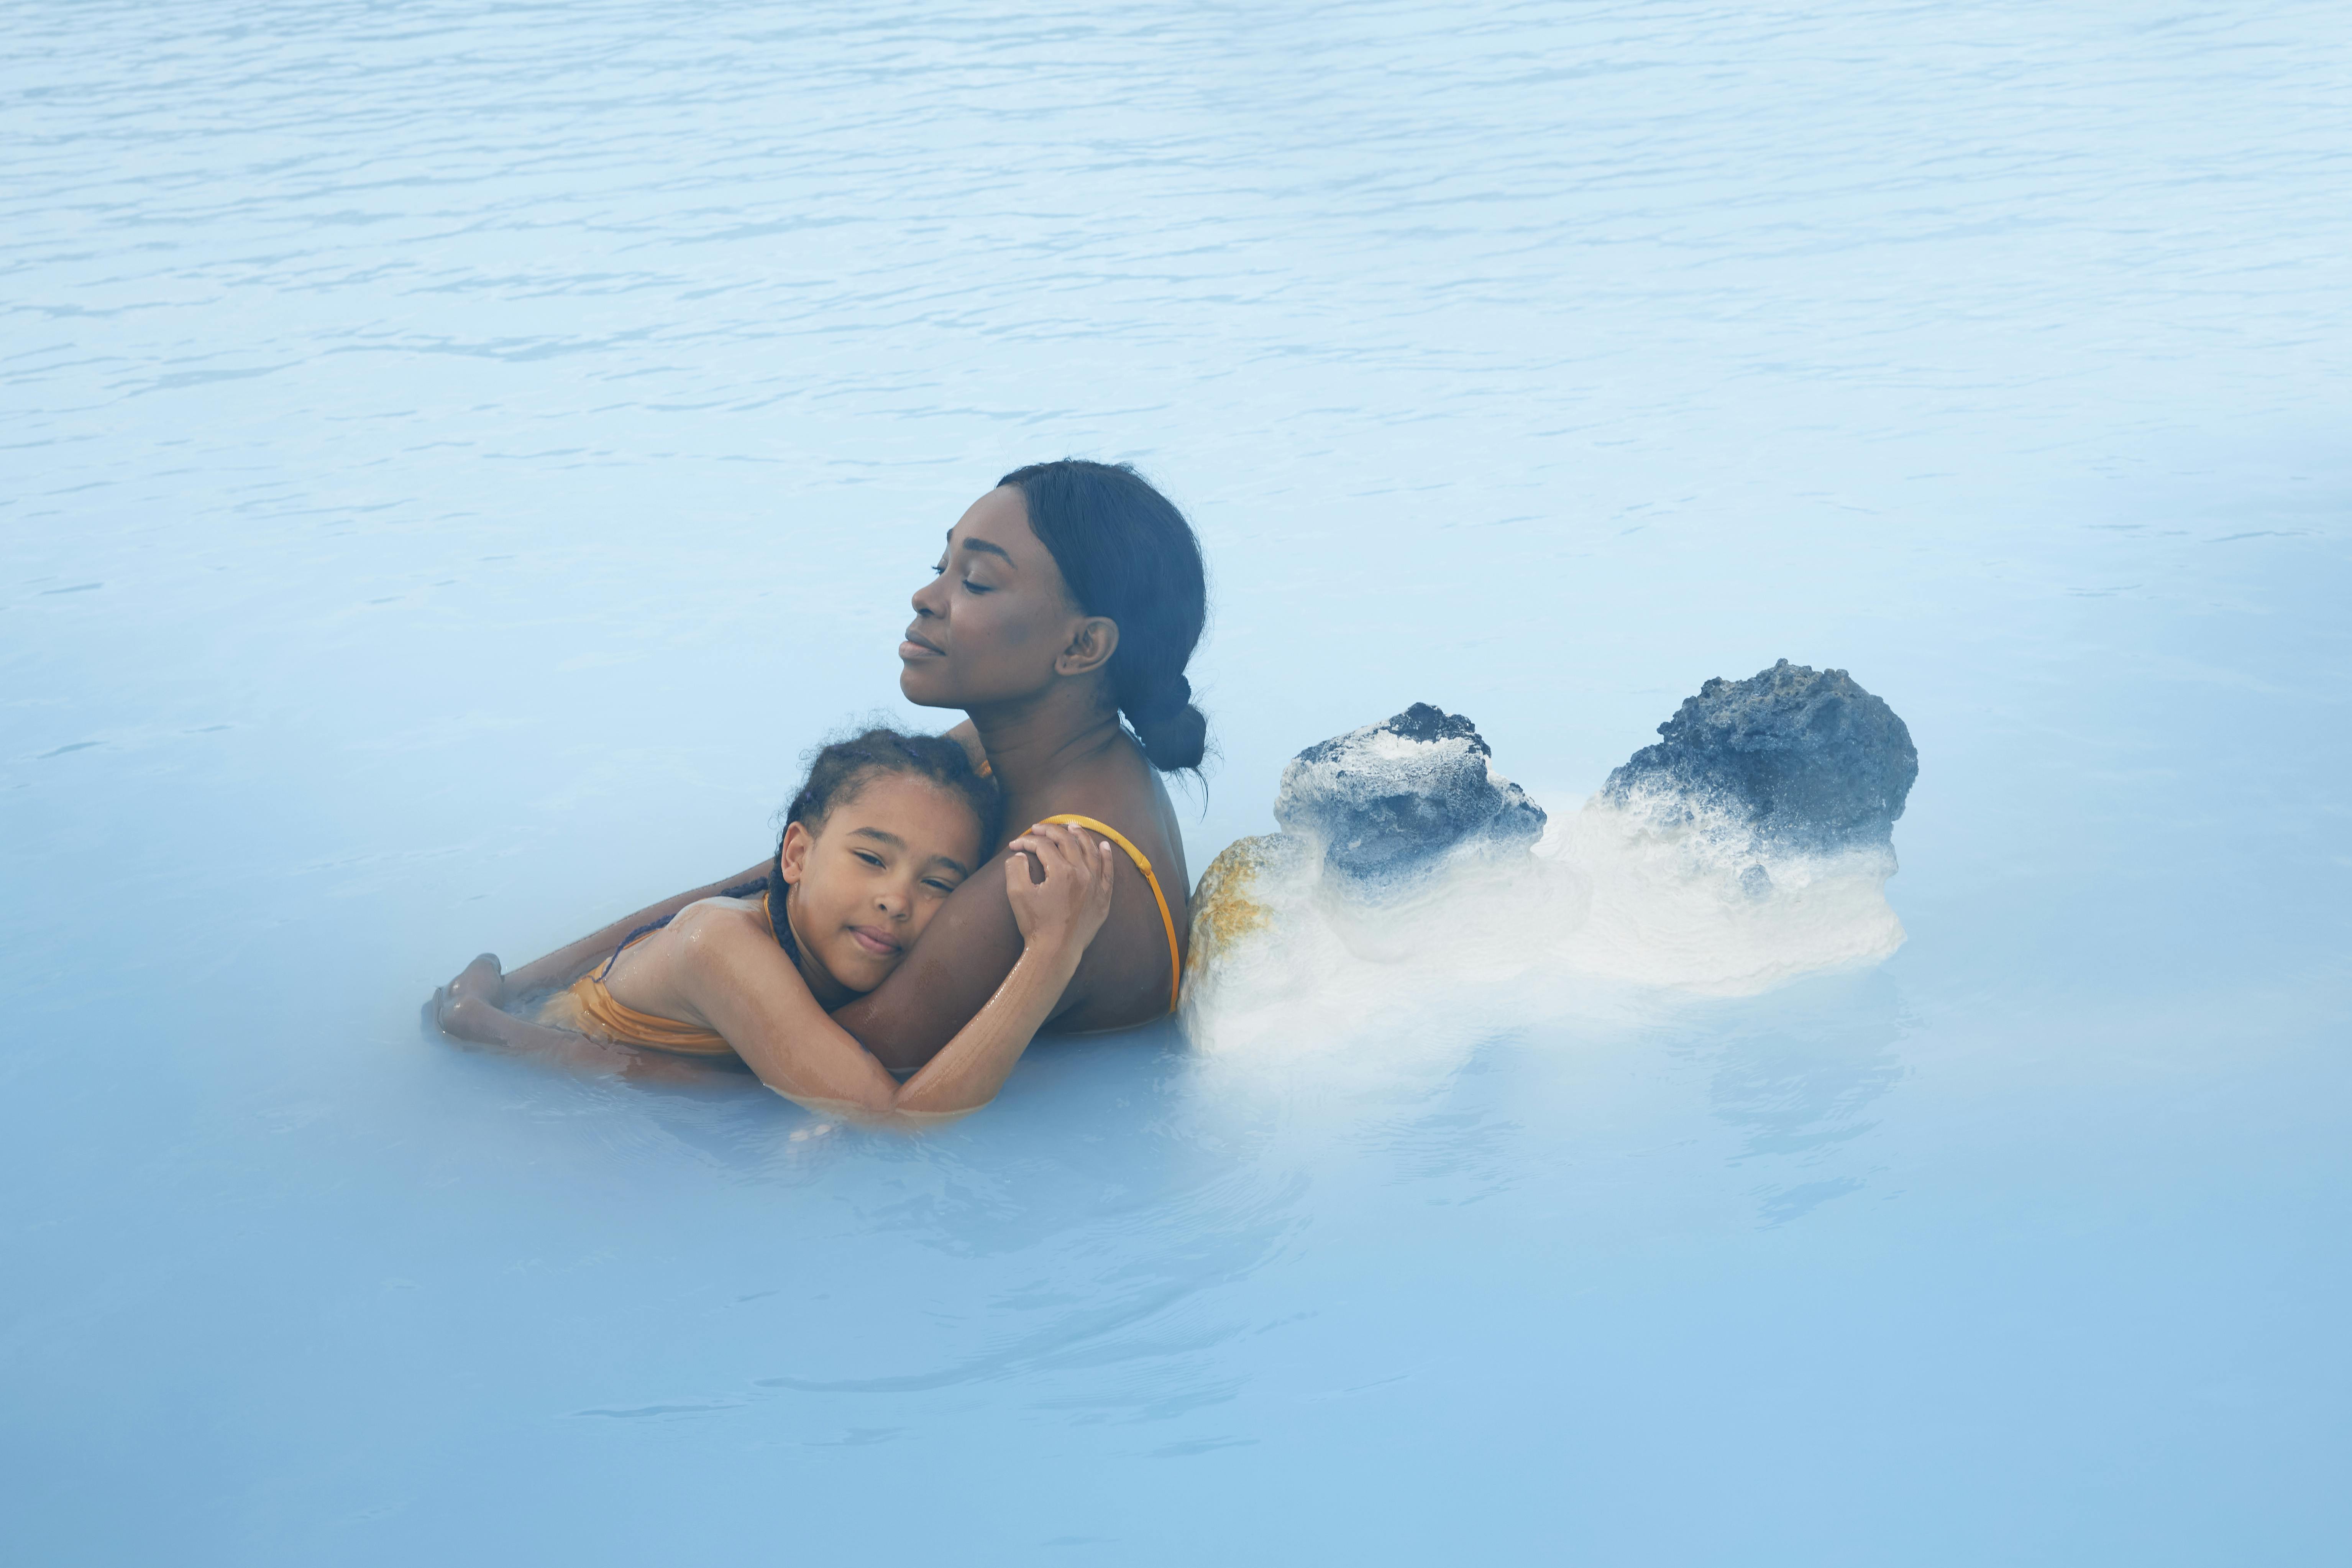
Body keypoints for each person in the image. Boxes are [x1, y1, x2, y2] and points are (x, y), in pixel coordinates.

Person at [433, 458, 1209, 1089]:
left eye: (976, 582)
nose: (926, 597)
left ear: (1082, 648)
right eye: (942, 566)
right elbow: (771, 879)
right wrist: (525, 985)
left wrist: (501, 1037)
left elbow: (823, 1085)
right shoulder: (1014, 747)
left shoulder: (1052, 868)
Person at [435, 727, 1119, 1123]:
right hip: (552, 1104)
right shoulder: (721, 944)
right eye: (871, 859)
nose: (897, 899)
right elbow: (898, 1123)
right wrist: (1053, 949)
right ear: (796, 854)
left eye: (939, 883)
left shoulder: (811, 915)